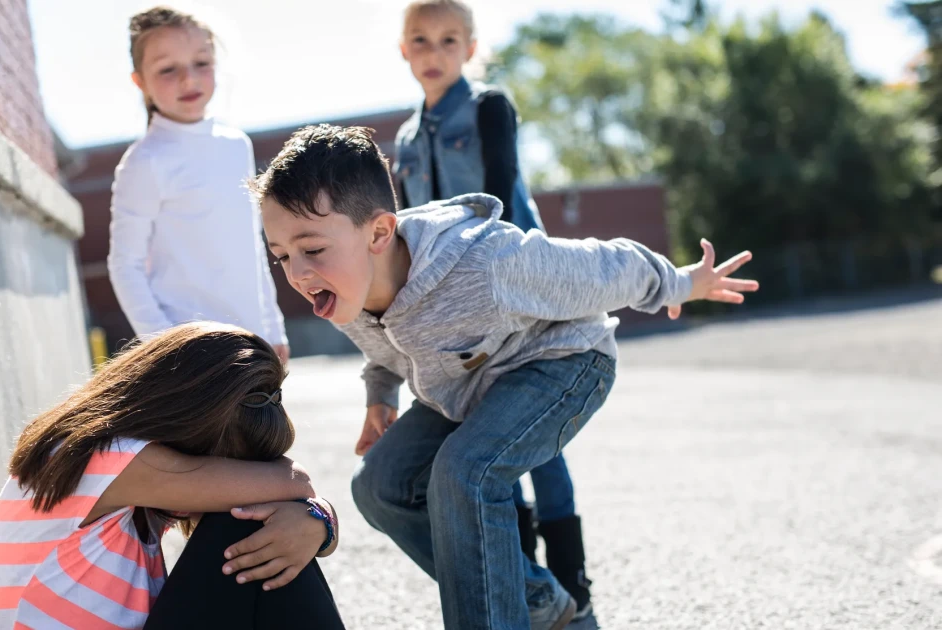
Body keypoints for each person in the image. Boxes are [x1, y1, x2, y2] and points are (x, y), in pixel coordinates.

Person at [253, 125, 757, 630]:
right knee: (379, 486)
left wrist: (682, 283)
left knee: (464, 472)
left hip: (563, 364)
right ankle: (533, 598)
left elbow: (606, 266)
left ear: (379, 234)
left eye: (312, 249)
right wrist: (379, 398)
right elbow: (384, 352)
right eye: (281, 256)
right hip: (466, 387)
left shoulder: (486, 263)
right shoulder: (353, 289)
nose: (296, 273)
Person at [391, 0, 583, 612]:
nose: (434, 53)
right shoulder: (404, 138)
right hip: (454, 311)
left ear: (470, 49)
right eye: (420, 41)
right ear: (404, 51)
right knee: (488, 441)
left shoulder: (488, 107)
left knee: (539, 443)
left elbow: (499, 189)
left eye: (449, 41)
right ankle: (527, 586)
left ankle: (574, 584)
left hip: (519, 293)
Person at [0, 322, 346, 629]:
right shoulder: (105, 456)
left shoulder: (126, 474)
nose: (233, 477)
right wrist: (314, 513)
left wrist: (315, 521)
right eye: (230, 464)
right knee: (245, 523)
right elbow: (294, 484)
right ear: (189, 424)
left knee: (267, 528)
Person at [108, 7, 289, 361]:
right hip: (190, 356)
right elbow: (124, 265)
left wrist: (273, 328)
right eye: (167, 69)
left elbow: (252, 247)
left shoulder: (237, 145)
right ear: (139, 81)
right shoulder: (145, 161)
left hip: (253, 343)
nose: (188, 79)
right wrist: (164, 345)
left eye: (201, 63)